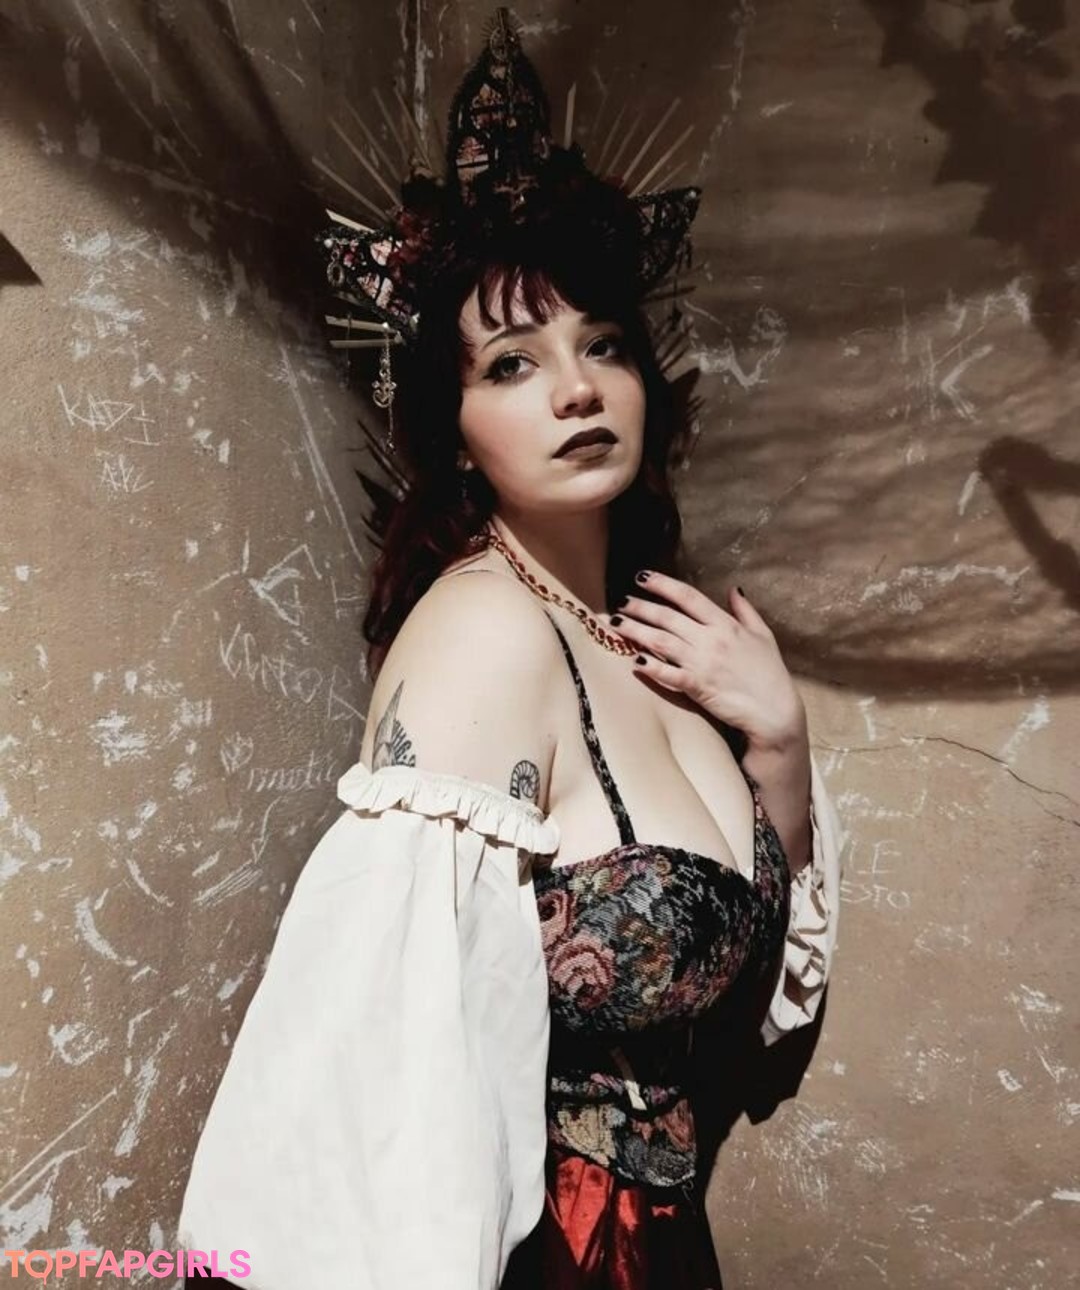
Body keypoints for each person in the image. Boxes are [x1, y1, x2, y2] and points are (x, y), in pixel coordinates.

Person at [177, 11, 845, 1289]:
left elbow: (754, 1009)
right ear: (454, 427)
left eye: (603, 346)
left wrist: (780, 742)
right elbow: (385, 1094)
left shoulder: (645, 627)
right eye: (511, 364)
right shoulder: (483, 632)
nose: (577, 390)